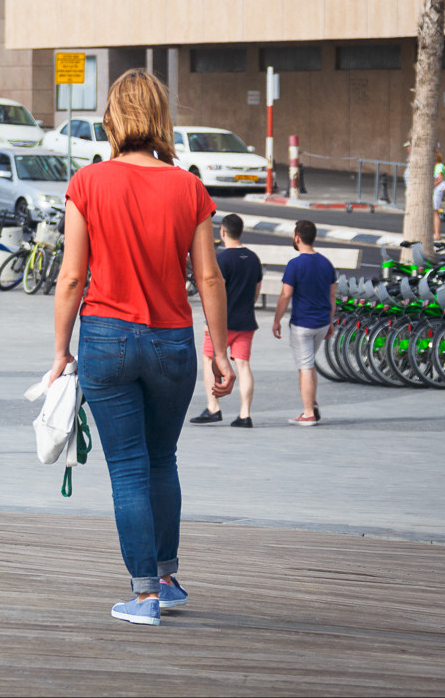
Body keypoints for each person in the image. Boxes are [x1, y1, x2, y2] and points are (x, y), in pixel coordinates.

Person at [49, 69, 235, 627]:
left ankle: (144, 595)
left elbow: (71, 278)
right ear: (159, 118)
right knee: (162, 460)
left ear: (112, 118)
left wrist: (61, 350)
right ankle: (169, 578)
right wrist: (219, 352)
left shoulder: (88, 183)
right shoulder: (188, 188)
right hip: (172, 342)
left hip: (106, 337)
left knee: (128, 467)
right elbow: (210, 279)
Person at [189, 214, 263, 428]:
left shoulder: (220, 259)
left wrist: (209, 321)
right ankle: (245, 414)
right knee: (243, 365)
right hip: (247, 321)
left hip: (221, 323)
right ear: (241, 232)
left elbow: (213, 292)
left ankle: (213, 407)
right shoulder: (253, 258)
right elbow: (256, 290)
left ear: (222, 232)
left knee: (209, 358)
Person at [271, 219, 336, 426]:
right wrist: (331, 321)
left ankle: (308, 413)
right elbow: (332, 295)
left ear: (297, 237)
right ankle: (312, 403)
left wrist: (276, 320)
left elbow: (285, 295)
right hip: (322, 323)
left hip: (303, 324)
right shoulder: (326, 263)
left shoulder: (295, 264)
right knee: (309, 363)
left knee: (305, 366)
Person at [432, 148, 445, 241]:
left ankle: (437, 234)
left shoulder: (439, 166)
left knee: (435, 212)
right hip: (434, 191)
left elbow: (440, 178)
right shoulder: (435, 166)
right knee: (433, 212)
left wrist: (432, 186)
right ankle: (435, 233)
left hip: (437, 191)